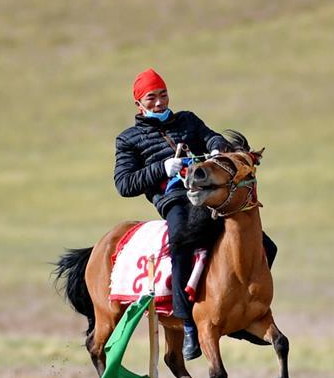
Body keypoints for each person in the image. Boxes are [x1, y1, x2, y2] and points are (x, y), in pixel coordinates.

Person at [114, 69, 276, 361]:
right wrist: (163, 168)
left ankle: (246, 312)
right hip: (174, 200)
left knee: (267, 244)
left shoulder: (187, 119)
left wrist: (216, 148)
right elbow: (124, 184)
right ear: (138, 103)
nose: (160, 102)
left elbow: (211, 137)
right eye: (151, 98)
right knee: (180, 245)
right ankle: (188, 325)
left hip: (209, 194)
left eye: (163, 95)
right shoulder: (129, 140)